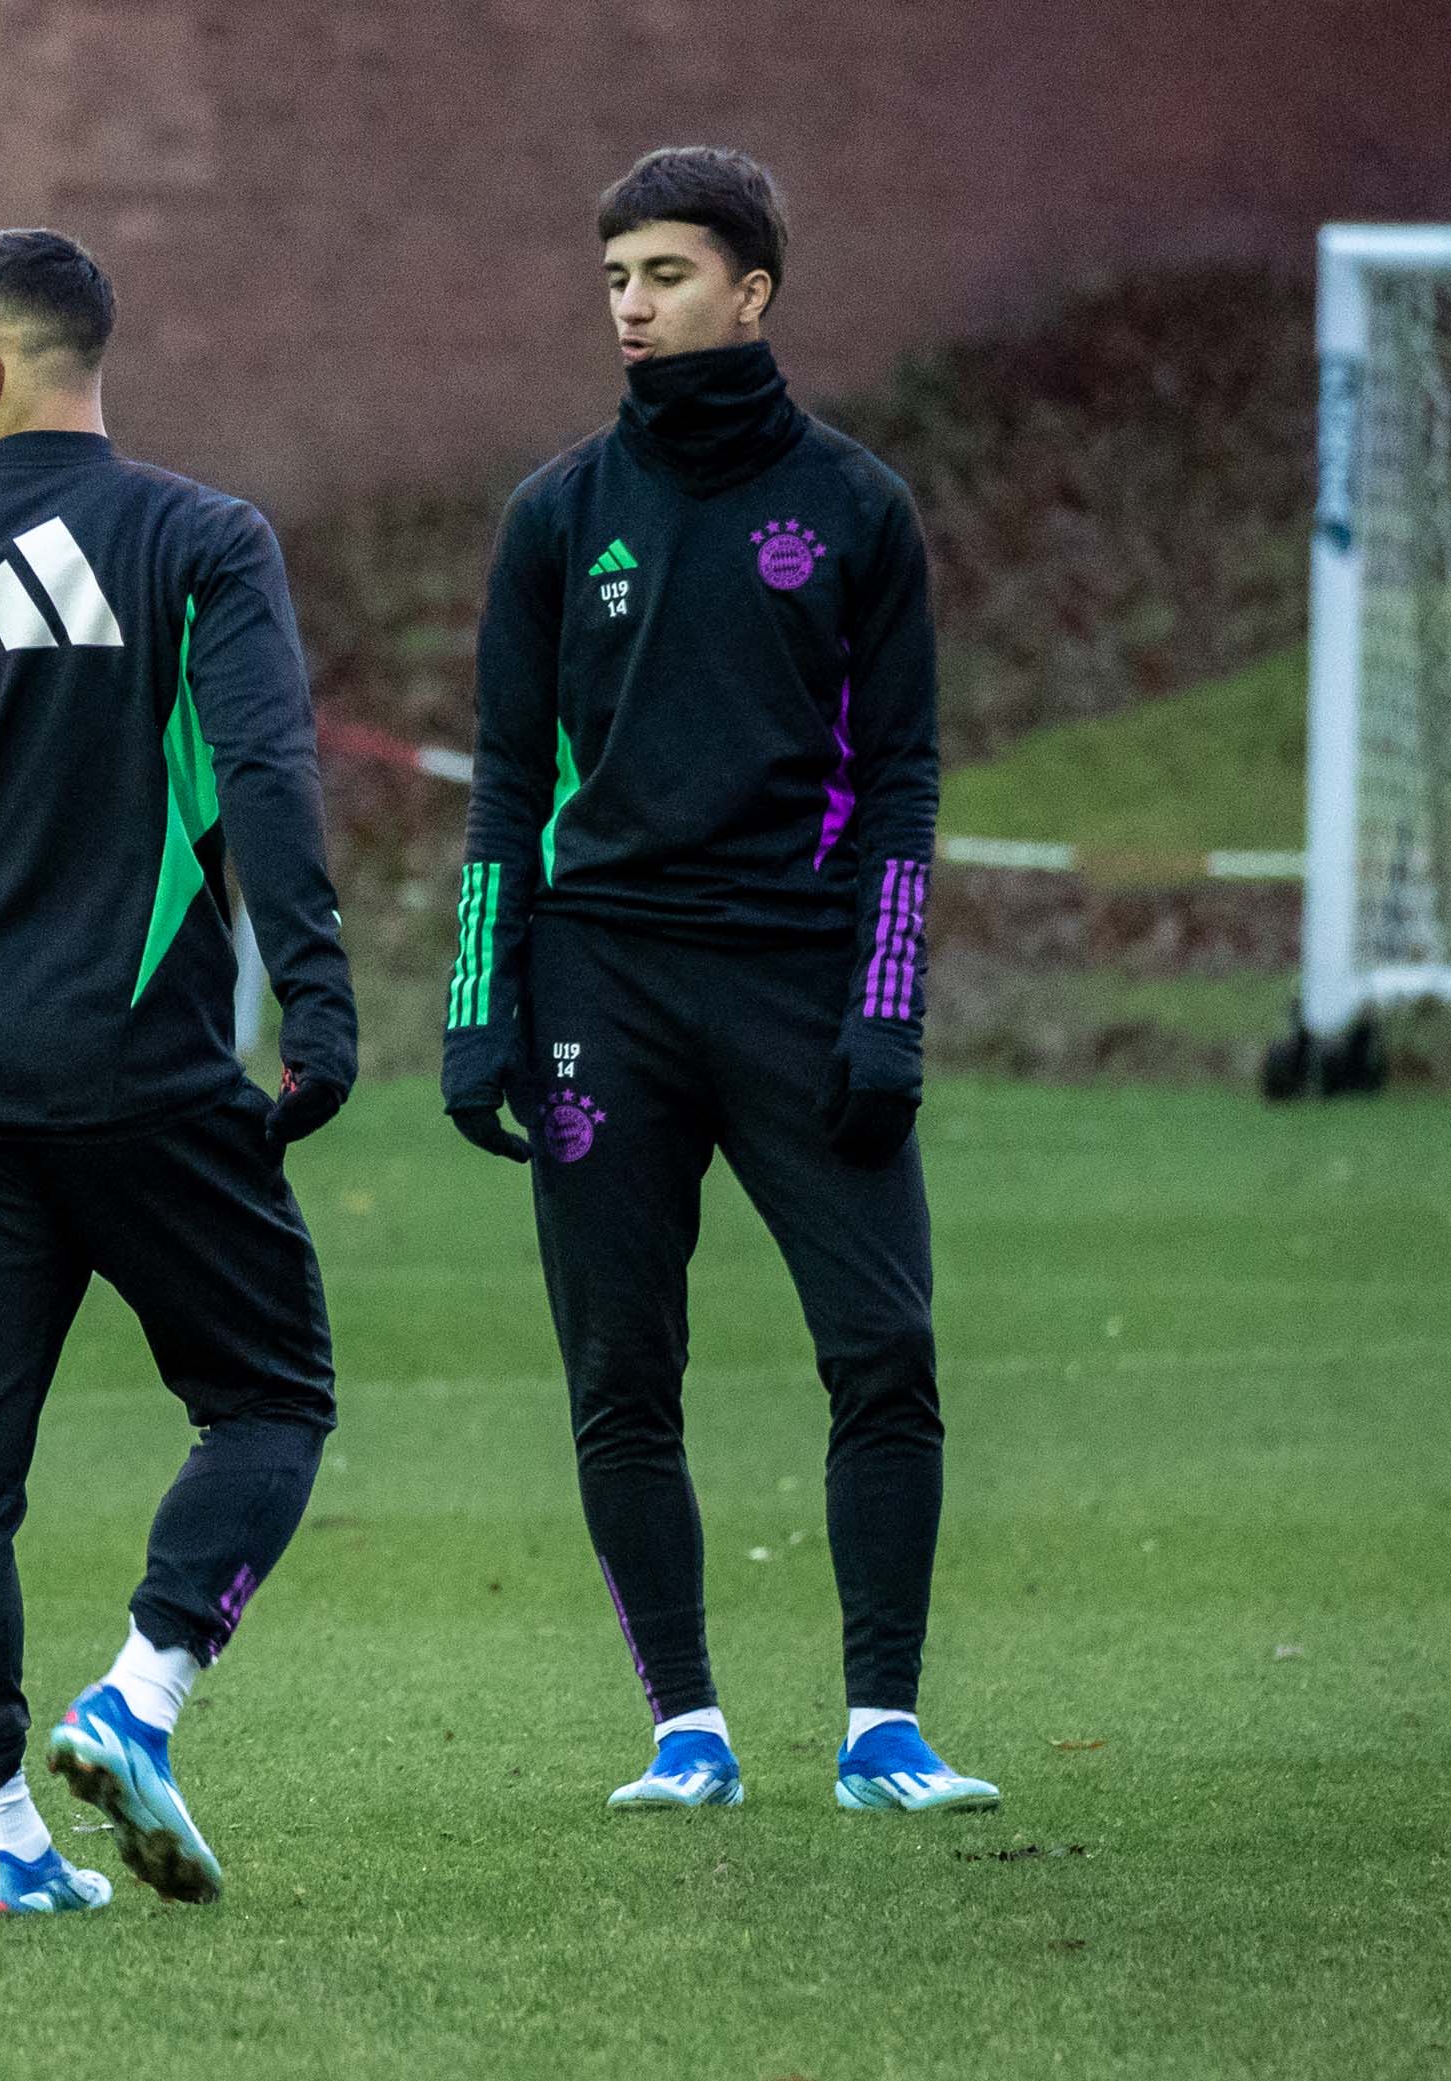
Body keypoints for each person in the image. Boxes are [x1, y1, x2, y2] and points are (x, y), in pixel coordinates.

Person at [0, 229, 357, 1916]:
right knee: (271, 1394)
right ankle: (140, 1690)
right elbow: (265, 771)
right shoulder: (203, 541)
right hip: (146, 1075)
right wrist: (319, 1004)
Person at [441, 148, 996, 1814]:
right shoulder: (556, 516)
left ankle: (882, 1727)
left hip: (800, 980)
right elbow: (500, 781)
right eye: (614, 275)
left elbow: (901, 780)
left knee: (884, 1346)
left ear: (751, 294)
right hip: (600, 988)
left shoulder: (854, 510)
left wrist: (885, 1002)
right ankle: (686, 1728)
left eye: (666, 273)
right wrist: (479, 1005)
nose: (631, 303)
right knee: (622, 1376)